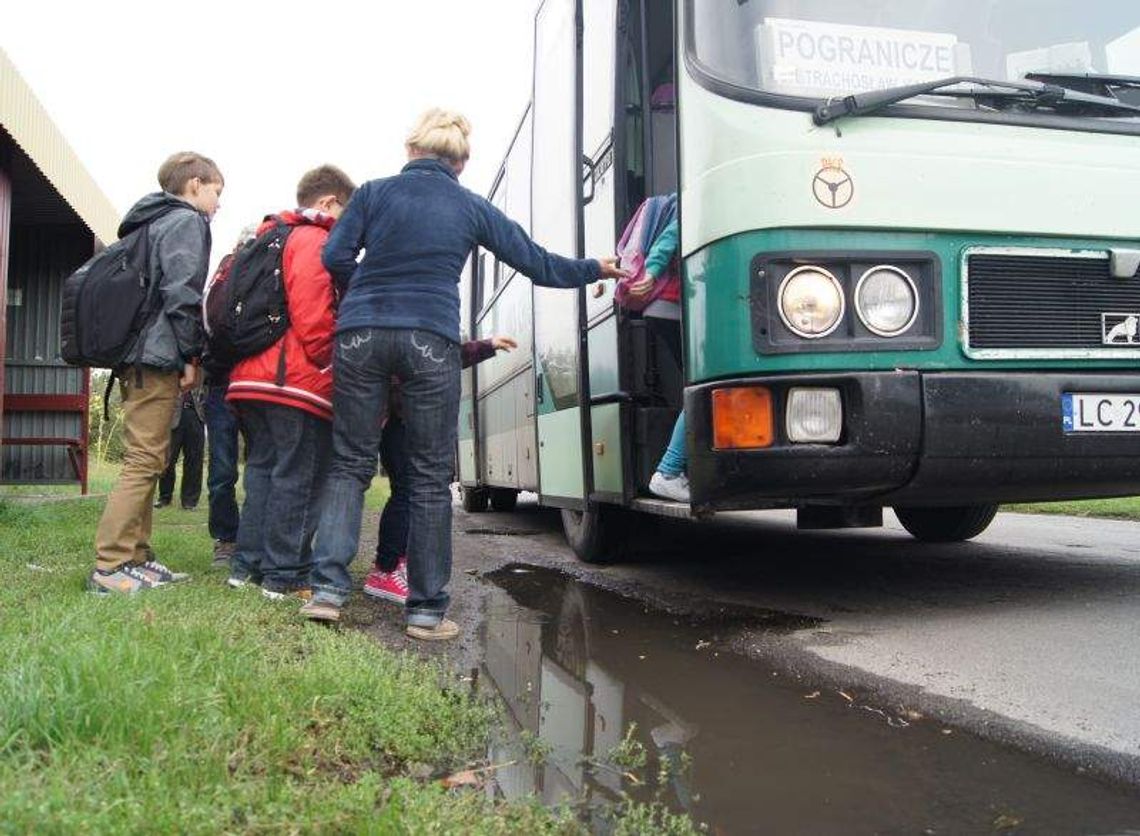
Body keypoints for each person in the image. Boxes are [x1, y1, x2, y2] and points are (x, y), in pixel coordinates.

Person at [302, 108, 627, 636]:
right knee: (429, 477)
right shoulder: (472, 206)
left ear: (411, 151)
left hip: (360, 333)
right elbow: (539, 264)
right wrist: (593, 268)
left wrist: (370, 289)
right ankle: (426, 612)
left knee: (349, 464)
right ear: (460, 163)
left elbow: (334, 255)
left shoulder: (373, 194)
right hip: (430, 338)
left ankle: (326, 592)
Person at [89, 151, 223, 595]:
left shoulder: (149, 221)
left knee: (150, 458)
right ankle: (110, 565)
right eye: (216, 191)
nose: (218, 203)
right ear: (195, 184)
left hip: (136, 356)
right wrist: (190, 355)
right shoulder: (186, 221)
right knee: (144, 460)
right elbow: (181, 294)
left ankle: (137, 558)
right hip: (157, 356)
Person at [225, 165, 355, 601]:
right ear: (328, 202)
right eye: (346, 212)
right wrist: (330, 363)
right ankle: (286, 574)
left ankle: (246, 566)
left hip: (250, 376)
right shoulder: (314, 239)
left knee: (262, 471)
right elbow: (314, 315)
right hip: (294, 379)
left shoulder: (265, 237)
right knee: (300, 476)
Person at [364, 334, 517, 603]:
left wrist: (487, 346)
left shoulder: (412, 332)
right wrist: (486, 346)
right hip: (399, 421)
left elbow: (443, 358)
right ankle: (385, 570)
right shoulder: (402, 334)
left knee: (408, 493)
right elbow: (439, 359)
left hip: (404, 420)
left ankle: (394, 564)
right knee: (406, 493)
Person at [202, 226, 257, 566]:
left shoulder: (221, 274)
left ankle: (231, 539)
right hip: (246, 382)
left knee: (225, 468)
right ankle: (233, 538)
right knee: (256, 465)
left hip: (224, 381)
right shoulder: (226, 276)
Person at [627, 207, 688, 502]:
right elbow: (669, 239)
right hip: (671, 308)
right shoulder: (693, 196)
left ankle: (676, 469)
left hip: (666, 310)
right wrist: (651, 273)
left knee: (699, 388)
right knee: (706, 388)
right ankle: (669, 471)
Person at [155, 387, 205, 509]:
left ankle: (190, 501)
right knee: (168, 459)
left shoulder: (199, 373)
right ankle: (164, 497)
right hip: (172, 416)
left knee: (194, 460)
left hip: (196, 415)